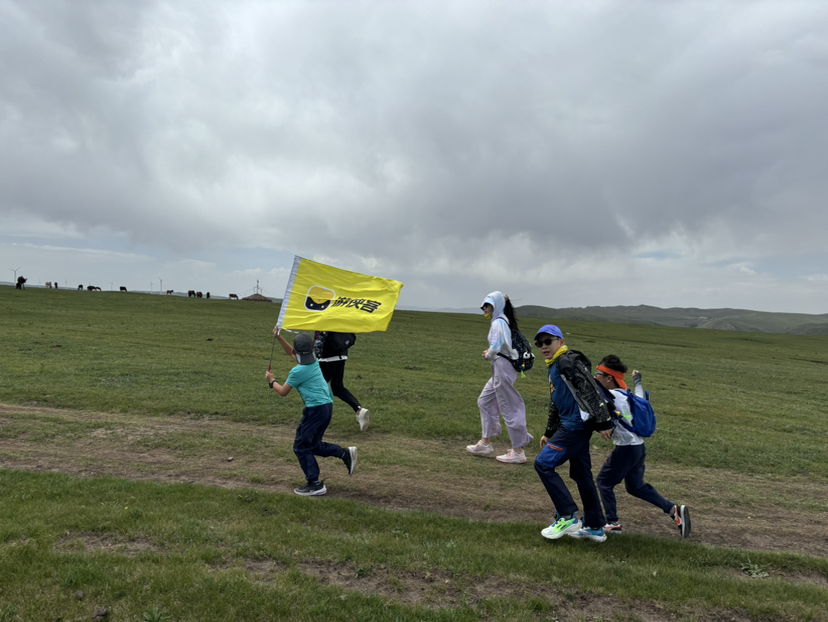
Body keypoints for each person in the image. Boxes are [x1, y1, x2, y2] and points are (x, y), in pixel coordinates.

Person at [593, 355, 691, 538]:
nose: (594, 377)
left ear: (609, 378)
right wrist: (637, 381)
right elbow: (641, 397)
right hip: (638, 447)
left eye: (598, 374)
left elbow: (594, 395)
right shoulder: (626, 395)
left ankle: (612, 523)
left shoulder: (613, 396)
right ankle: (673, 510)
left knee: (604, 483)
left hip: (626, 449)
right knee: (635, 487)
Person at [533, 325, 613, 542]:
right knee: (582, 474)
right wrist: (549, 432)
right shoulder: (554, 365)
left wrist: (604, 421)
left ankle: (567, 515)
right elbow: (556, 401)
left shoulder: (567, 361)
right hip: (573, 426)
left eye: (548, 341)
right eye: (539, 343)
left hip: (575, 427)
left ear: (561, 341)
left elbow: (591, 389)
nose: (543, 347)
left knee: (543, 464)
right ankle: (594, 527)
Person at [265, 327, 357, 496]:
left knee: (300, 446)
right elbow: (292, 353)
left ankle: (315, 484)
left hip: (315, 411)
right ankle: (344, 453)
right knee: (313, 445)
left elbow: (283, 392)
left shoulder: (297, 371)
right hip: (326, 407)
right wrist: (279, 337)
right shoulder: (314, 359)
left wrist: (272, 381)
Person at [466, 291, 533, 463]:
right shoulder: (502, 320)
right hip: (502, 368)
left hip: (503, 368)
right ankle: (485, 442)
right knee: (485, 400)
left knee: (509, 407)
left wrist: (488, 354)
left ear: (496, 306)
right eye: (484, 305)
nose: (484, 308)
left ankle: (518, 451)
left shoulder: (498, 322)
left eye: (488, 305)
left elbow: (496, 346)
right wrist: (492, 353)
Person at [313, 331, 370, 431]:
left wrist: (315, 354)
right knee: (337, 388)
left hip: (327, 357)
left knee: (317, 389)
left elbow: (319, 340)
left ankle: (319, 418)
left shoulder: (323, 322)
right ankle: (359, 409)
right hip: (341, 354)